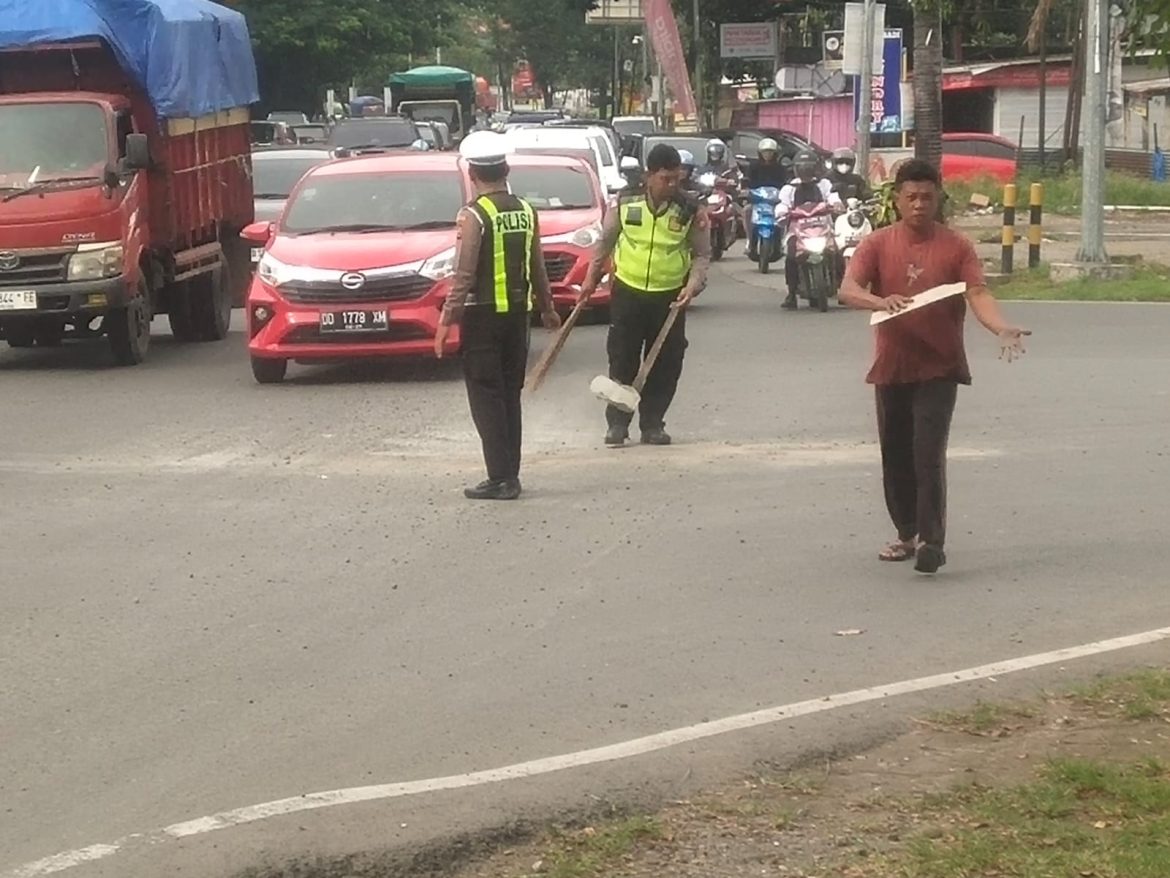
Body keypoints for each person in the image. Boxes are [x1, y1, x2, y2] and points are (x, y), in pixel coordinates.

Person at [838, 159, 1031, 574]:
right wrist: (879, 301)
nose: (920, 204)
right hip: (892, 365)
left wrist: (1000, 328)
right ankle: (905, 533)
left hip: (940, 366)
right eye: (912, 197)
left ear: (939, 198)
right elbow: (848, 289)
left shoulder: (956, 245)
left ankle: (931, 541)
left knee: (928, 453)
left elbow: (977, 293)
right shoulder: (877, 243)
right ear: (897, 199)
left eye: (928, 196)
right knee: (896, 454)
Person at [434, 131, 562, 500]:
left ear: (472, 174)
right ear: (506, 169)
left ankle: (499, 477)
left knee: (485, 396)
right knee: (509, 395)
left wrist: (446, 322)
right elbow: (537, 265)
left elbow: (464, 274)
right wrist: (548, 308)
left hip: (482, 318)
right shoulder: (525, 210)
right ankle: (511, 474)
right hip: (517, 319)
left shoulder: (474, 215)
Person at [576, 143, 711, 447]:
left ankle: (652, 424)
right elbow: (605, 246)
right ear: (650, 176)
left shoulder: (690, 209)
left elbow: (702, 255)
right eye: (666, 179)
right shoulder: (625, 202)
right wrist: (589, 280)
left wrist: (694, 285)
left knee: (666, 363)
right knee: (622, 360)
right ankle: (617, 424)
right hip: (628, 292)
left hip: (669, 297)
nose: (673, 185)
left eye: (677, 178)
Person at [776, 149, 842, 310]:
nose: (806, 170)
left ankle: (842, 286)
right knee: (790, 256)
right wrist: (781, 212)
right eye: (802, 167)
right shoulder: (789, 188)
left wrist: (837, 204)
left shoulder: (824, 184)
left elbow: (832, 196)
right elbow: (783, 204)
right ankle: (791, 294)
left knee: (838, 252)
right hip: (798, 230)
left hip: (822, 227)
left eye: (809, 166)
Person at [743, 137, 790, 260]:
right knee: (747, 210)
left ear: (775, 153)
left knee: (786, 214)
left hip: (775, 202)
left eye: (770, 152)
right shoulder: (753, 167)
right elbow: (747, 182)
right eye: (765, 152)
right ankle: (749, 240)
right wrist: (746, 192)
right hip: (758, 201)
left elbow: (786, 183)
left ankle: (783, 241)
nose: (767, 155)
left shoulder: (781, 168)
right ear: (760, 153)